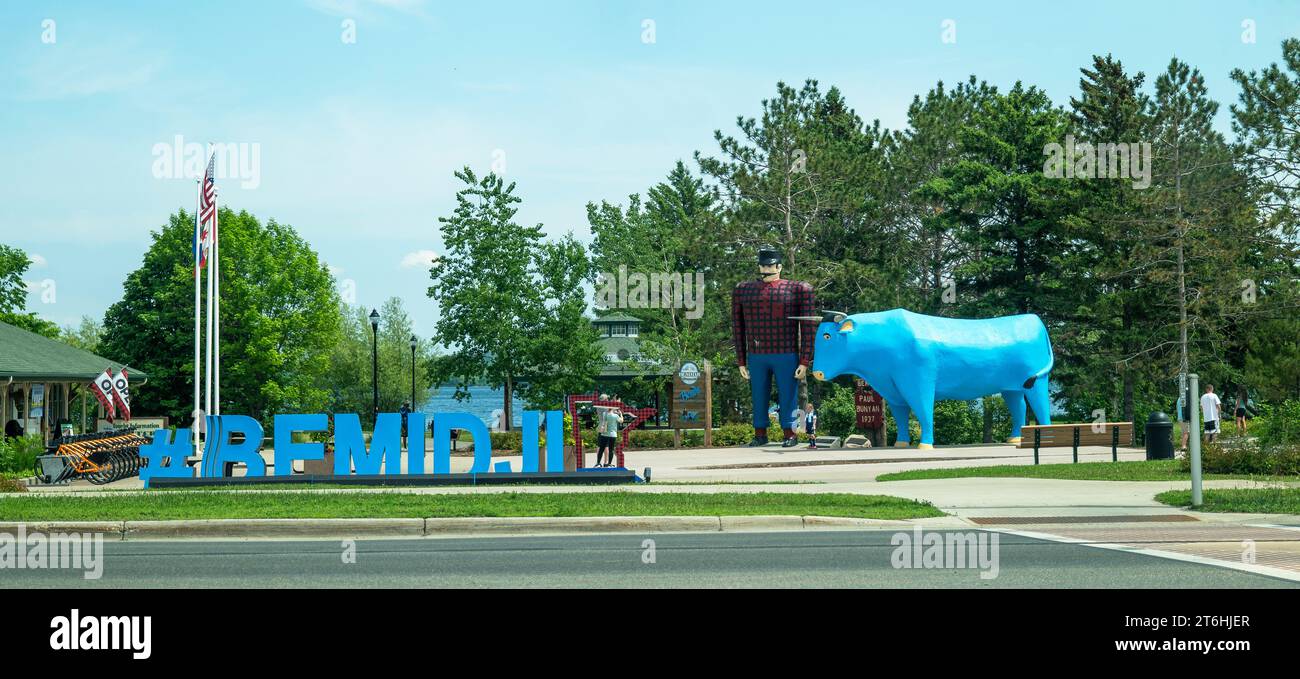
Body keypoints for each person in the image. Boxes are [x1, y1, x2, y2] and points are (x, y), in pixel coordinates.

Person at [732, 245, 817, 448]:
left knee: (789, 394)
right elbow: (737, 325)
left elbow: (808, 326)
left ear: (779, 266)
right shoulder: (743, 290)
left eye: (769, 265)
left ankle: (790, 433)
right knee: (758, 394)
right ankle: (760, 433)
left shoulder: (798, 289)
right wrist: (741, 360)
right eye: (762, 265)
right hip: (757, 353)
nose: (766, 269)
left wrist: (805, 360)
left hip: (786, 352)